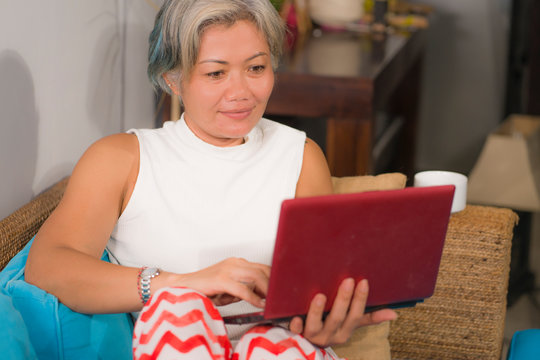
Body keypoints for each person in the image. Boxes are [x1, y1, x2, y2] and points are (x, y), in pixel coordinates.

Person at [25, 0, 397, 358]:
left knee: (272, 345)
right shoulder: (122, 159)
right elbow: (49, 266)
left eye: (256, 68)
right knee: (178, 312)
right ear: (173, 79)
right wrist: (180, 283)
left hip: (278, 350)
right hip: (176, 346)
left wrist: (324, 322)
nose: (240, 93)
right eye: (215, 73)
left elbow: (318, 289)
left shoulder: (300, 156)